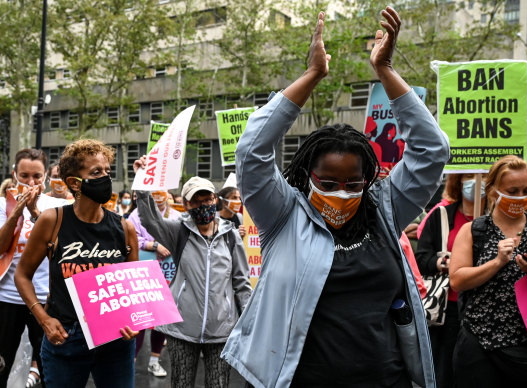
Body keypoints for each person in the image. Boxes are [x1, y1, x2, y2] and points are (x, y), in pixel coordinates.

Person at [221, 8, 450, 387]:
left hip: (385, 379)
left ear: (368, 182)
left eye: (352, 184)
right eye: (327, 183)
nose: (341, 193)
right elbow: (252, 152)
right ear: (306, 178)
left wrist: (386, 70)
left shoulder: (385, 210)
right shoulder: (282, 215)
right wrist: (312, 76)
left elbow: (432, 151)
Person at [14, 139, 140, 388]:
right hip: (65, 337)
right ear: (74, 182)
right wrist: (43, 319)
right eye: (96, 172)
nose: (105, 177)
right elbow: (22, 275)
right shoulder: (53, 221)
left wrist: (134, 321)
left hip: (115, 341)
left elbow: (132, 290)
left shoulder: (125, 228)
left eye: (107, 171)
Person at [450, 155, 527, 387]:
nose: (520, 197)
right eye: (512, 190)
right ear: (494, 190)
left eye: (526, 190)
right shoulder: (473, 231)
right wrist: (496, 262)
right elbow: (457, 281)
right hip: (480, 346)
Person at [130, 171, 252, 388]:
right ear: (186, 204)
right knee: (181, 384)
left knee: (218, 384)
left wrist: (250, 324)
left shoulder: (231, 236)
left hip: (222, 332)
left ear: (215, 200)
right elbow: (150, 220)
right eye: (197, 201)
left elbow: (241, 283)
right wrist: (143, 183)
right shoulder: (178, 232)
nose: (204, 204)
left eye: (208, 199)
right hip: (182, 331)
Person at [0, 149, 69, 388]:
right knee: (2, 363)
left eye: (37, 176)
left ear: (46, 177)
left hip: (44, 299)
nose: (31, 182)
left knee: (50, 365)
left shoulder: (58, 206)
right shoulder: (2, 205)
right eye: (25, 175)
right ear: (14, 174)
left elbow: (62, 250)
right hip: (7, 297)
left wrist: (35, 213)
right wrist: (17, 211)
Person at [415, 173, 486, 388]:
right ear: (458, 181)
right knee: (445, 367)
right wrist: (448, 263)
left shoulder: (496, 218)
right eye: (469, 176)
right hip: (448, 308)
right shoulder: (442, 216)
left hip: (485, 306)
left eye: (482, 176)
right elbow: (421, 258)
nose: (476, 181)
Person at [127, 190, 180, 378]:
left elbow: (181, 238)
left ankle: (154, 361)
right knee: (140, 318)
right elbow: (132, 238)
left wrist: (168, 246)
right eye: (154, 192)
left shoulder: (176, 215)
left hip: (168, 272)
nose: (158, 196)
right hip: (144, 273)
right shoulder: (136, 215)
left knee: (161, 319)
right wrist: (154, 246)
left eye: (162, 192)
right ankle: (131, 362)